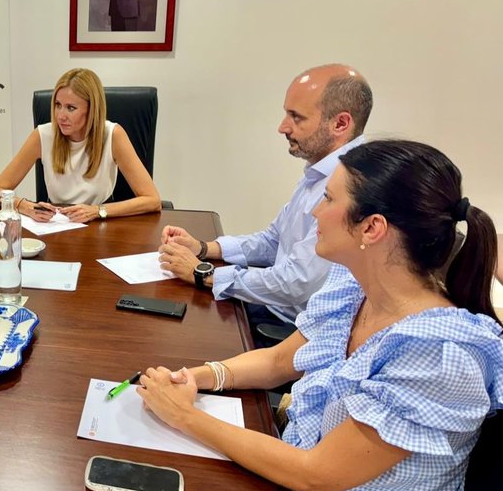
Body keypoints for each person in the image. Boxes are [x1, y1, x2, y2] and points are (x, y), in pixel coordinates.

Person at [139, 140, 503, 491]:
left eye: (329, 199)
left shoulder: (437, 355)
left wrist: (185, 416)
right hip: (294, 458)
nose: (316, 211)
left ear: (372, 227)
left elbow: (315, 475)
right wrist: (193, 378)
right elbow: (277, 361)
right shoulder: (355, 287)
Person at [159, 64, 371, 345]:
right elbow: (274, 240)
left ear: (340, 124)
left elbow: (296, 283)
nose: (283, 127)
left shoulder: (352, 185)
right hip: (271, 308)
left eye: (296, 117)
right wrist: (204, 248)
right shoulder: (320, 170)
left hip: (291, 332)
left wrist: (204, 274)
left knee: (174, 342)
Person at [0, 68, 160, 223]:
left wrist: (96, 211)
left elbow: (152, 200)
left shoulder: (112, 135)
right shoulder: (43, 135)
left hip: (99, 223)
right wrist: (25, 206)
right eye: (58, 105)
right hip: (55, 224)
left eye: (70, 108)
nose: (60, 116)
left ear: (92, 109)